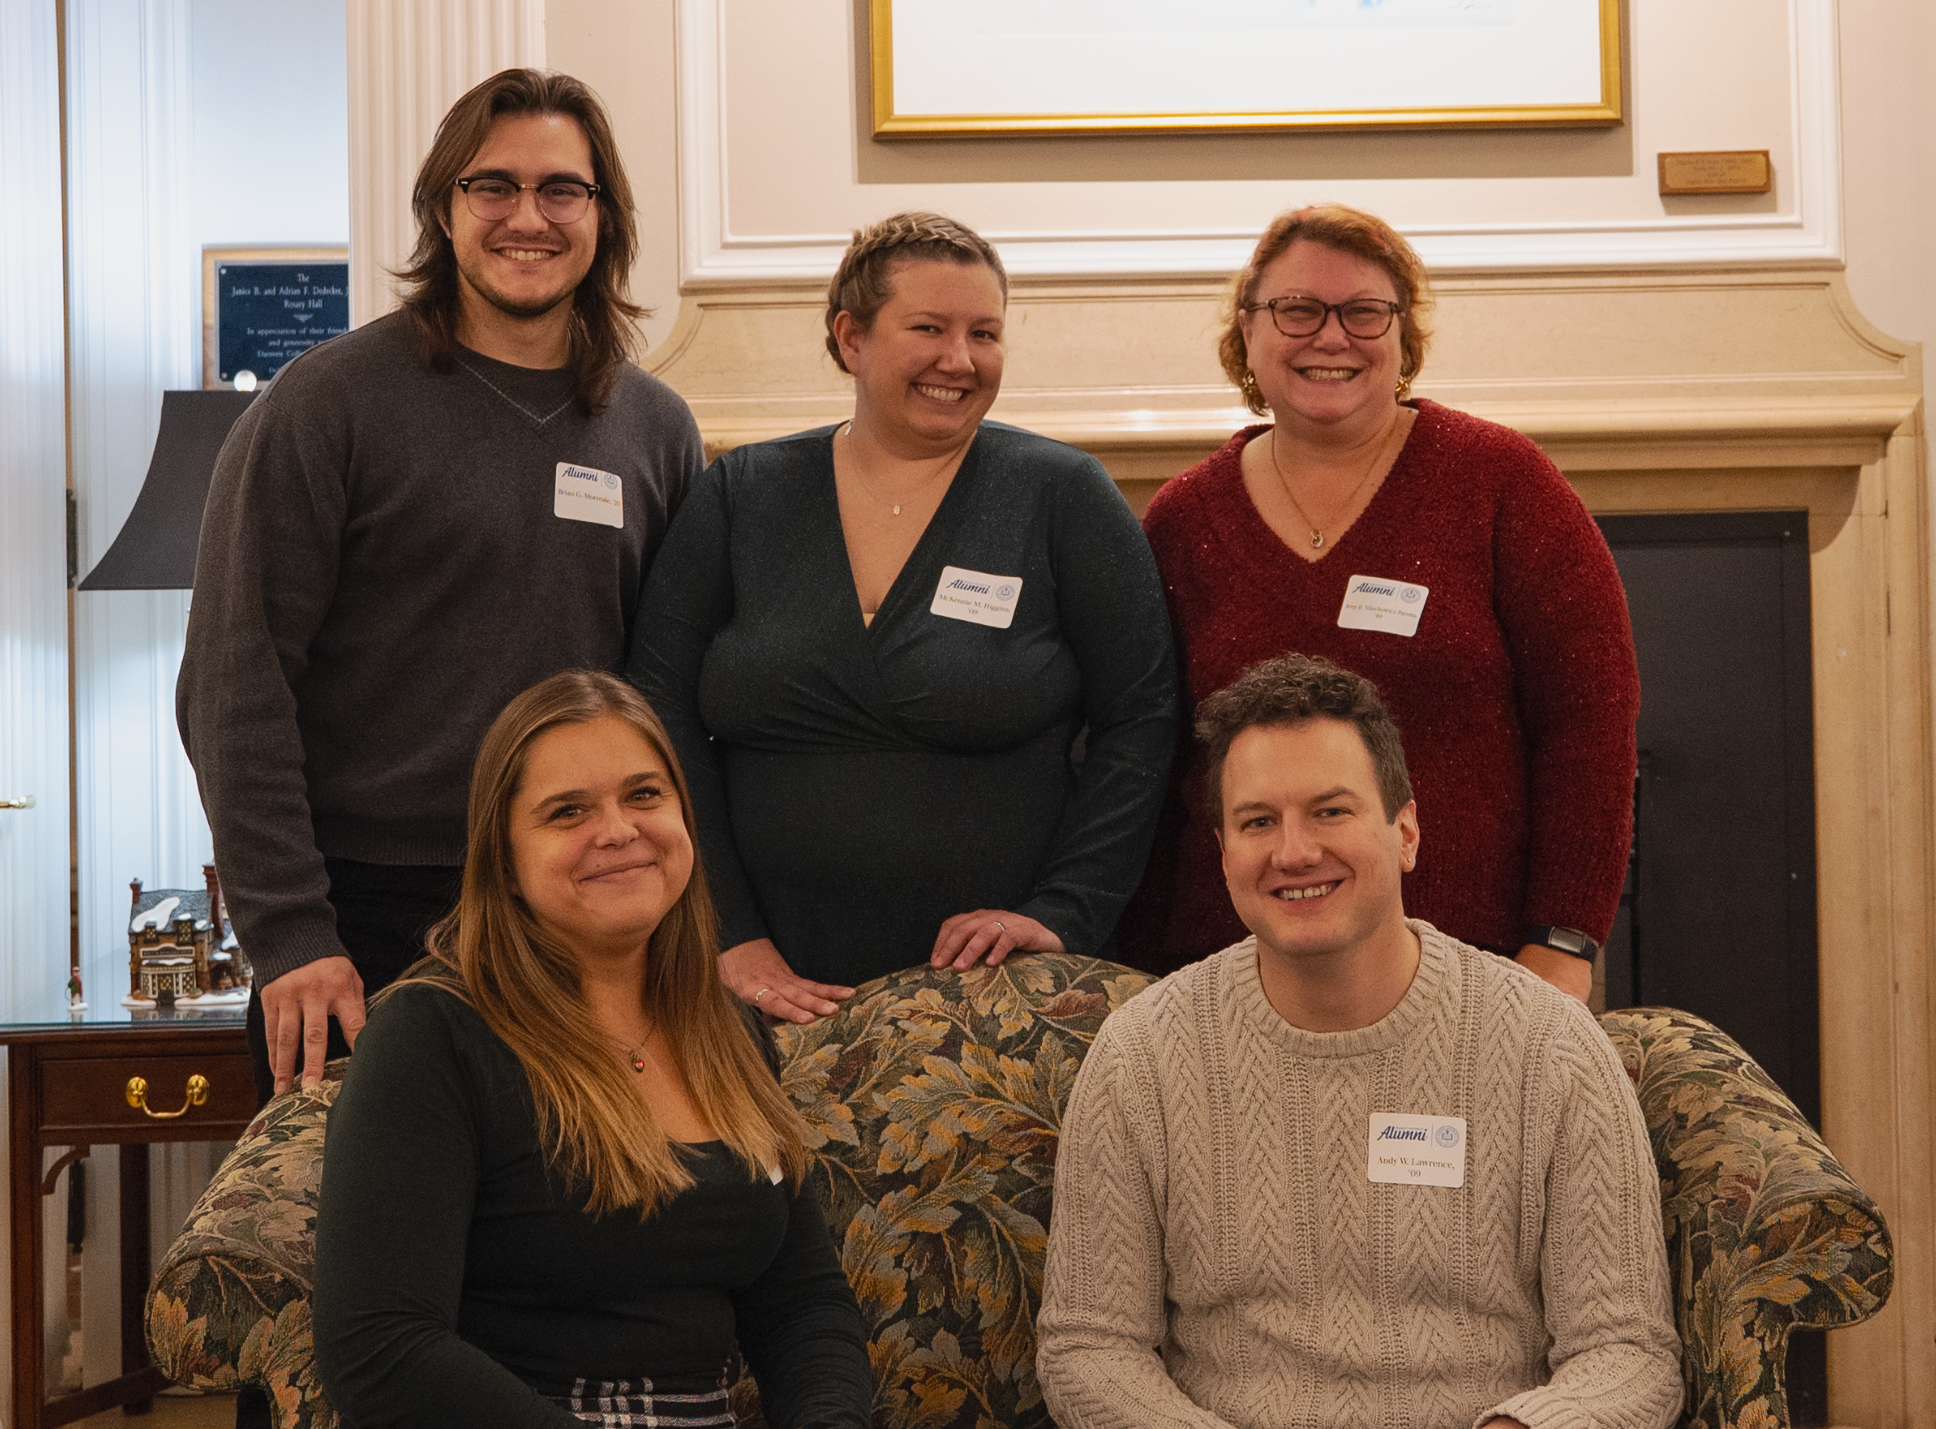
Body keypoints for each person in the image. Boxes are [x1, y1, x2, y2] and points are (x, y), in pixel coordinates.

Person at [177, 68, 704, 1105]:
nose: (527, 217)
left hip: (580, 909)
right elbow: (235, 685)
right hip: (365, 925)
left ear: (602, 217)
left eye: (561, 190)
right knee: (366, 1253)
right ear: (442, 209)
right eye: (491, 187)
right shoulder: (325, 405)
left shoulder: (653, 427)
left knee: (573, 1245)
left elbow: (666, 693)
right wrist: (290, 934)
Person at [1036, 654, 1682, 1429]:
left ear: (1405, 830)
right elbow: (1087, 1346)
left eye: (1331, 811)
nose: (1295, 851)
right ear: (1222, 851)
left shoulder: (1549, 1046)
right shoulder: (1140, 1054)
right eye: (1258, 821)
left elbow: (1630, 1352)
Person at [628, 211, 1176, 1019]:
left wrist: (1064, 911)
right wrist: (723, 931)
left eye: (984, 334)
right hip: (751, 977)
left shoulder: (1063, 497)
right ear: (852, 337)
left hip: (992, 987)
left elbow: (1145, 717)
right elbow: (656, 712)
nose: (960, 360)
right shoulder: (742, 495)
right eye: (929, 328)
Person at [312, 670, 873, 1429]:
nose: (617, 829)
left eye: (644, 794)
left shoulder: (730, 1030)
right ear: (504, 861)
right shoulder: (430, 1035)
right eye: (566, 811)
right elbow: (378, 1348)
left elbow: (803, 1303)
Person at [1127, 204, 1637, 1000]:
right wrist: (1141, 967)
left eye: (1364, 312)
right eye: (1297, 309)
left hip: (1482, 974)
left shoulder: (1503, 484)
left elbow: (1591, 721)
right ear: (1248, 329)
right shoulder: (1185, 519)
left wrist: (1564, 939)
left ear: (1402, 335)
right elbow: (1149, 760)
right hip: (1233, 980)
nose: (1331, 337)